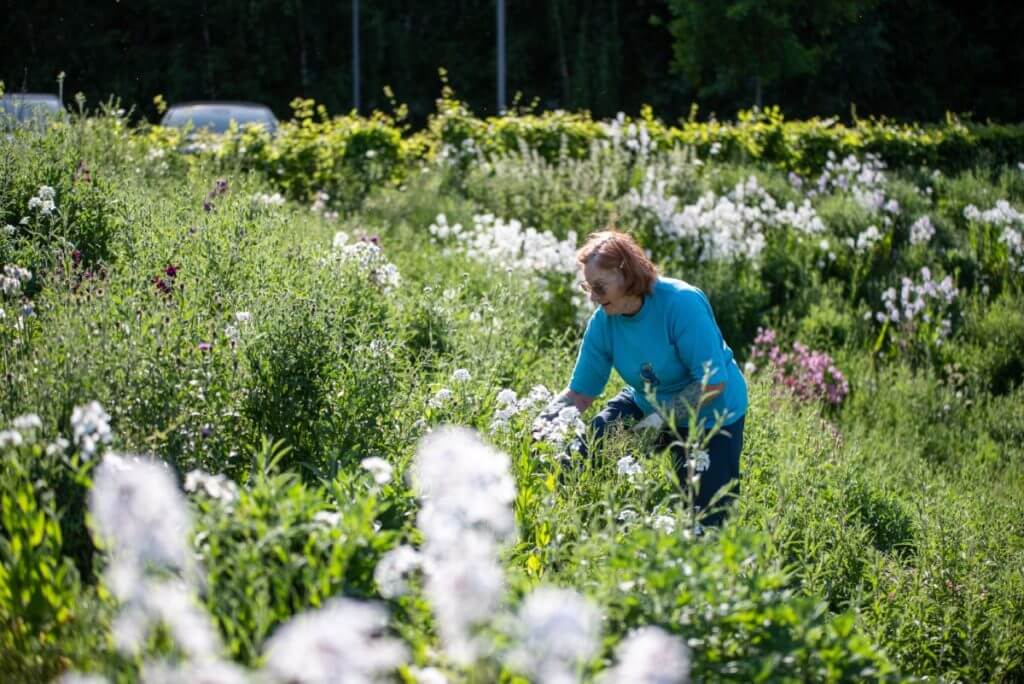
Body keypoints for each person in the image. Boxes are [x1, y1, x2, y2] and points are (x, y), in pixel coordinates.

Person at [542, 230, 748, 527]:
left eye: (599, 287)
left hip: (711, 413)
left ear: (627, 275)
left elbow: (712, 383)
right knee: (583, 453)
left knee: (706, 520)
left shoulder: (680, 303)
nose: (592, 298)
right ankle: (581, 528)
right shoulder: (604, 322)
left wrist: (656, 422)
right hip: (647, 402)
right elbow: (580, 395)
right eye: (587, 287)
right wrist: (540, 423)